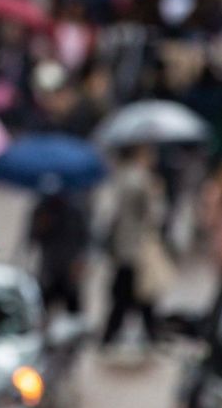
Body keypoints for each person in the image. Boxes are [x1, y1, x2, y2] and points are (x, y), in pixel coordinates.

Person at [101, 146, 166, 348]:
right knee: (136, 294)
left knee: (133, 295)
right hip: (136, 247)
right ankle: (141, 334)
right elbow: (154, 215)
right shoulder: (142, 180)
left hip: (125, 246)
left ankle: (144, 333)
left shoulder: (122, 177)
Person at [27, 178, 90, 314]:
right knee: (43, 304)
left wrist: (81, 261)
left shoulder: (75, 211)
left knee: (72, 304)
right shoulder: (42, 210)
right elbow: (32, 238)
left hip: (70, 264)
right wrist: (42, 225)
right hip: (49, 266)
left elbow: (85, 238)